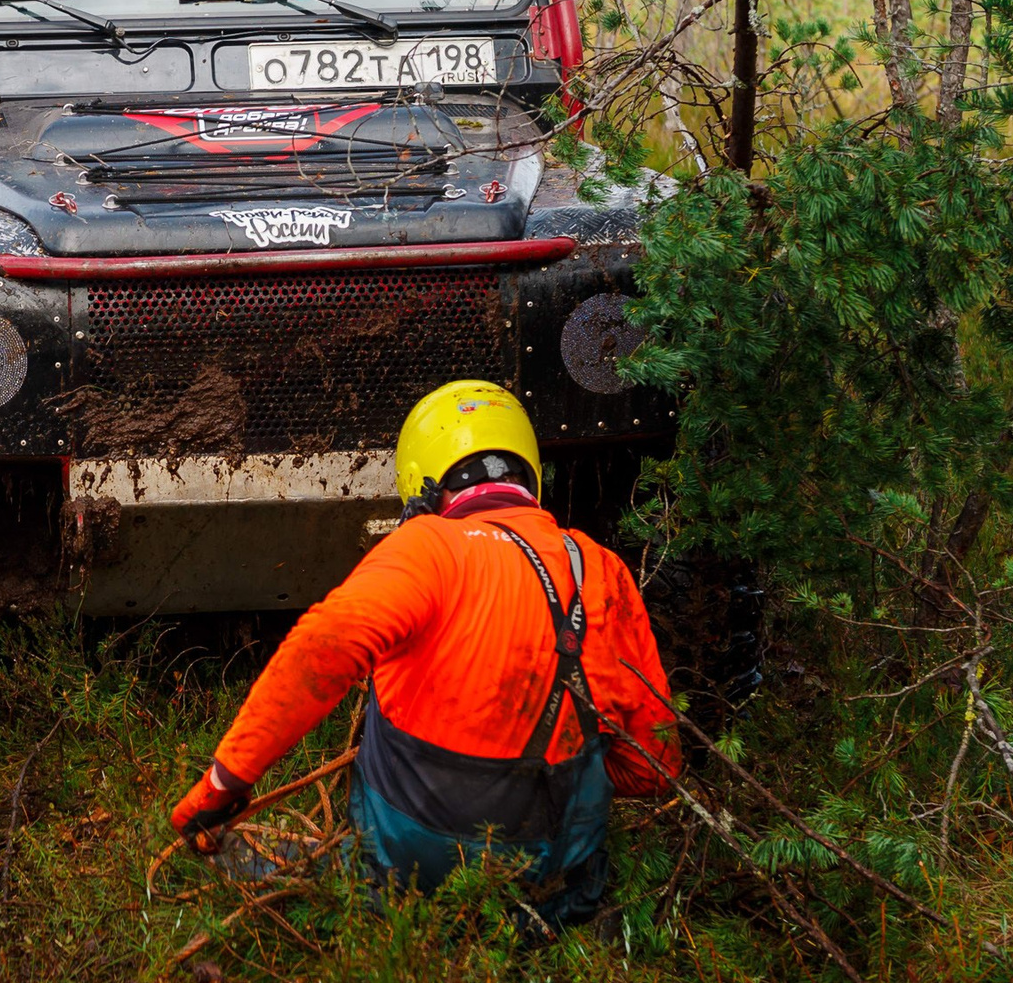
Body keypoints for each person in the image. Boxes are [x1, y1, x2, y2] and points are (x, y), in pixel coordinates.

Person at [167, 381, 682, 935]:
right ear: (529, 474)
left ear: (421, 484)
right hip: (560, 888)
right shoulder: (602, 568)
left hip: (415, 875)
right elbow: (655, 766)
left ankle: (369, 882)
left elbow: (324, 647)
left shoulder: (428, 546)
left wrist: (224, 783)